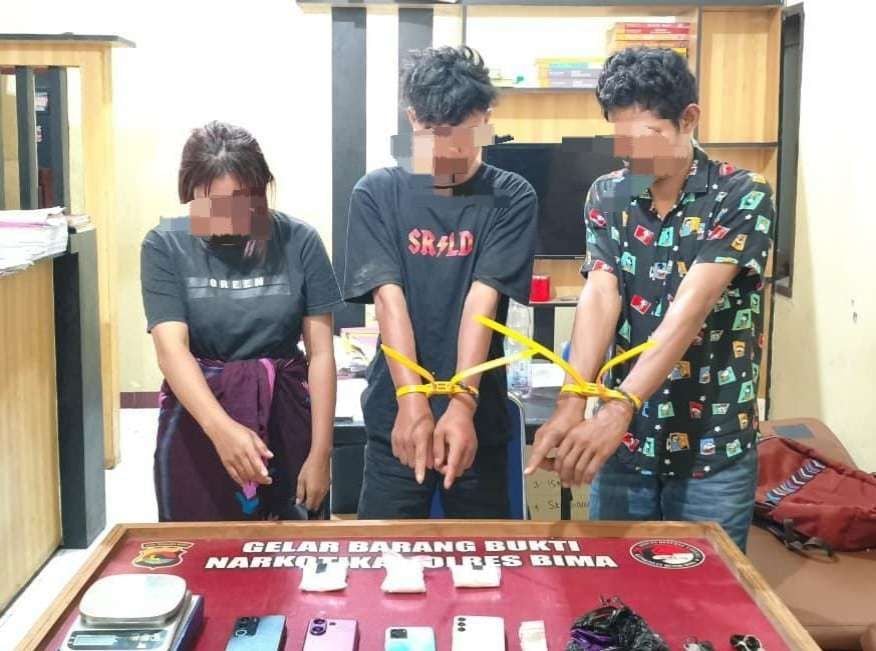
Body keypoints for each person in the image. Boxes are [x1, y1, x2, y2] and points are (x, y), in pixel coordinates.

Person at [529, 48, 775, 551]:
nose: (633, 155)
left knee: (702, 589)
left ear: (689, 118)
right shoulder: (608, 194)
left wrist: (618, 408)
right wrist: (572, 400)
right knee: (614, 582)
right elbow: (601, 294)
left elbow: (690, 310)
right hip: (625, 446)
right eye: (622, 139)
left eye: (648, 137)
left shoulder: (742, 193)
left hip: (711, 444)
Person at [343, 46, 538, 519]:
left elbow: (482, 301)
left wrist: (462, 405)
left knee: (482, 555)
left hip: (477, 417)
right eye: (433, 133)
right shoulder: (377, 193)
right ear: (413, 119)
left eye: (462, 133)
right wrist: (411, 400)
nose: (448, 149)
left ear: (485, 119)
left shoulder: (511, 196)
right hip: (395, 411)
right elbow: (389, 301)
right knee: (385, 554)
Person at [140, 121, 342, 521]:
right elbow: (171, 350)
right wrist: (221, 430)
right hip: (200, 415)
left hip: (286, 414)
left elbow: (321, 354)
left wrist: (321, 453)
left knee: (295, 547)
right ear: (191, 191)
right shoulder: (165, 244)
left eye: (245, 200)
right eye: (216, 202)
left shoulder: (299, 240)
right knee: (201, 547)